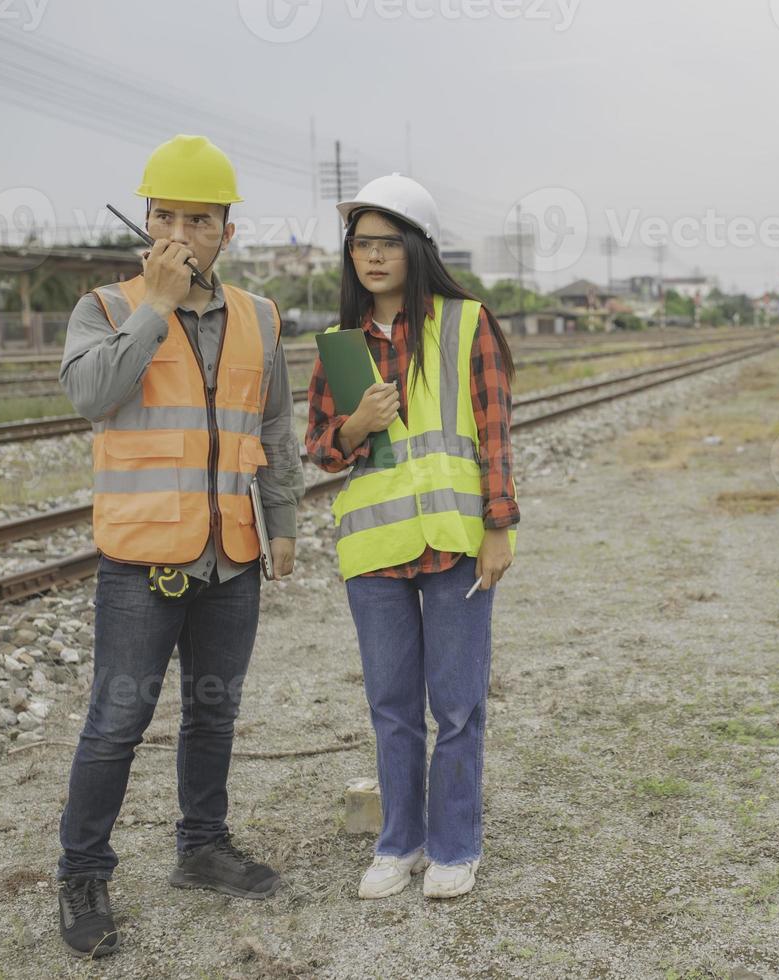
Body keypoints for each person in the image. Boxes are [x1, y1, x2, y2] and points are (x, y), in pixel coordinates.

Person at [53, 134, 304, 958]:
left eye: (200, 219)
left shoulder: (260, 317)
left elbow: (273, 426)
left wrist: (285, 524)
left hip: (230, 553)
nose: (181, 232)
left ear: (225, 231)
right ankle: (83, 874)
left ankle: (202, 847)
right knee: (116, 723)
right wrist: (156, 307)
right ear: (148, 220)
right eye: (167, 215)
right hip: (140, 561)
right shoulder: (107, 308)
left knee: (213, 712)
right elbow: (92, 395)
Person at [304, 173, 518, 900]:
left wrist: (500, 527)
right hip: (374, 553)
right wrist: (356, 425)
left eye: (387, 242)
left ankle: (456, 845)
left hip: (456, 542)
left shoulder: (463, 323)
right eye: (361, 243)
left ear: (416, 248)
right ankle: (400, 842)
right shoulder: (339, 347)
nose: (372, 256)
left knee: (456, 705)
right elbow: (320, 449)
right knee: (391, 707)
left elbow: (493, 433)